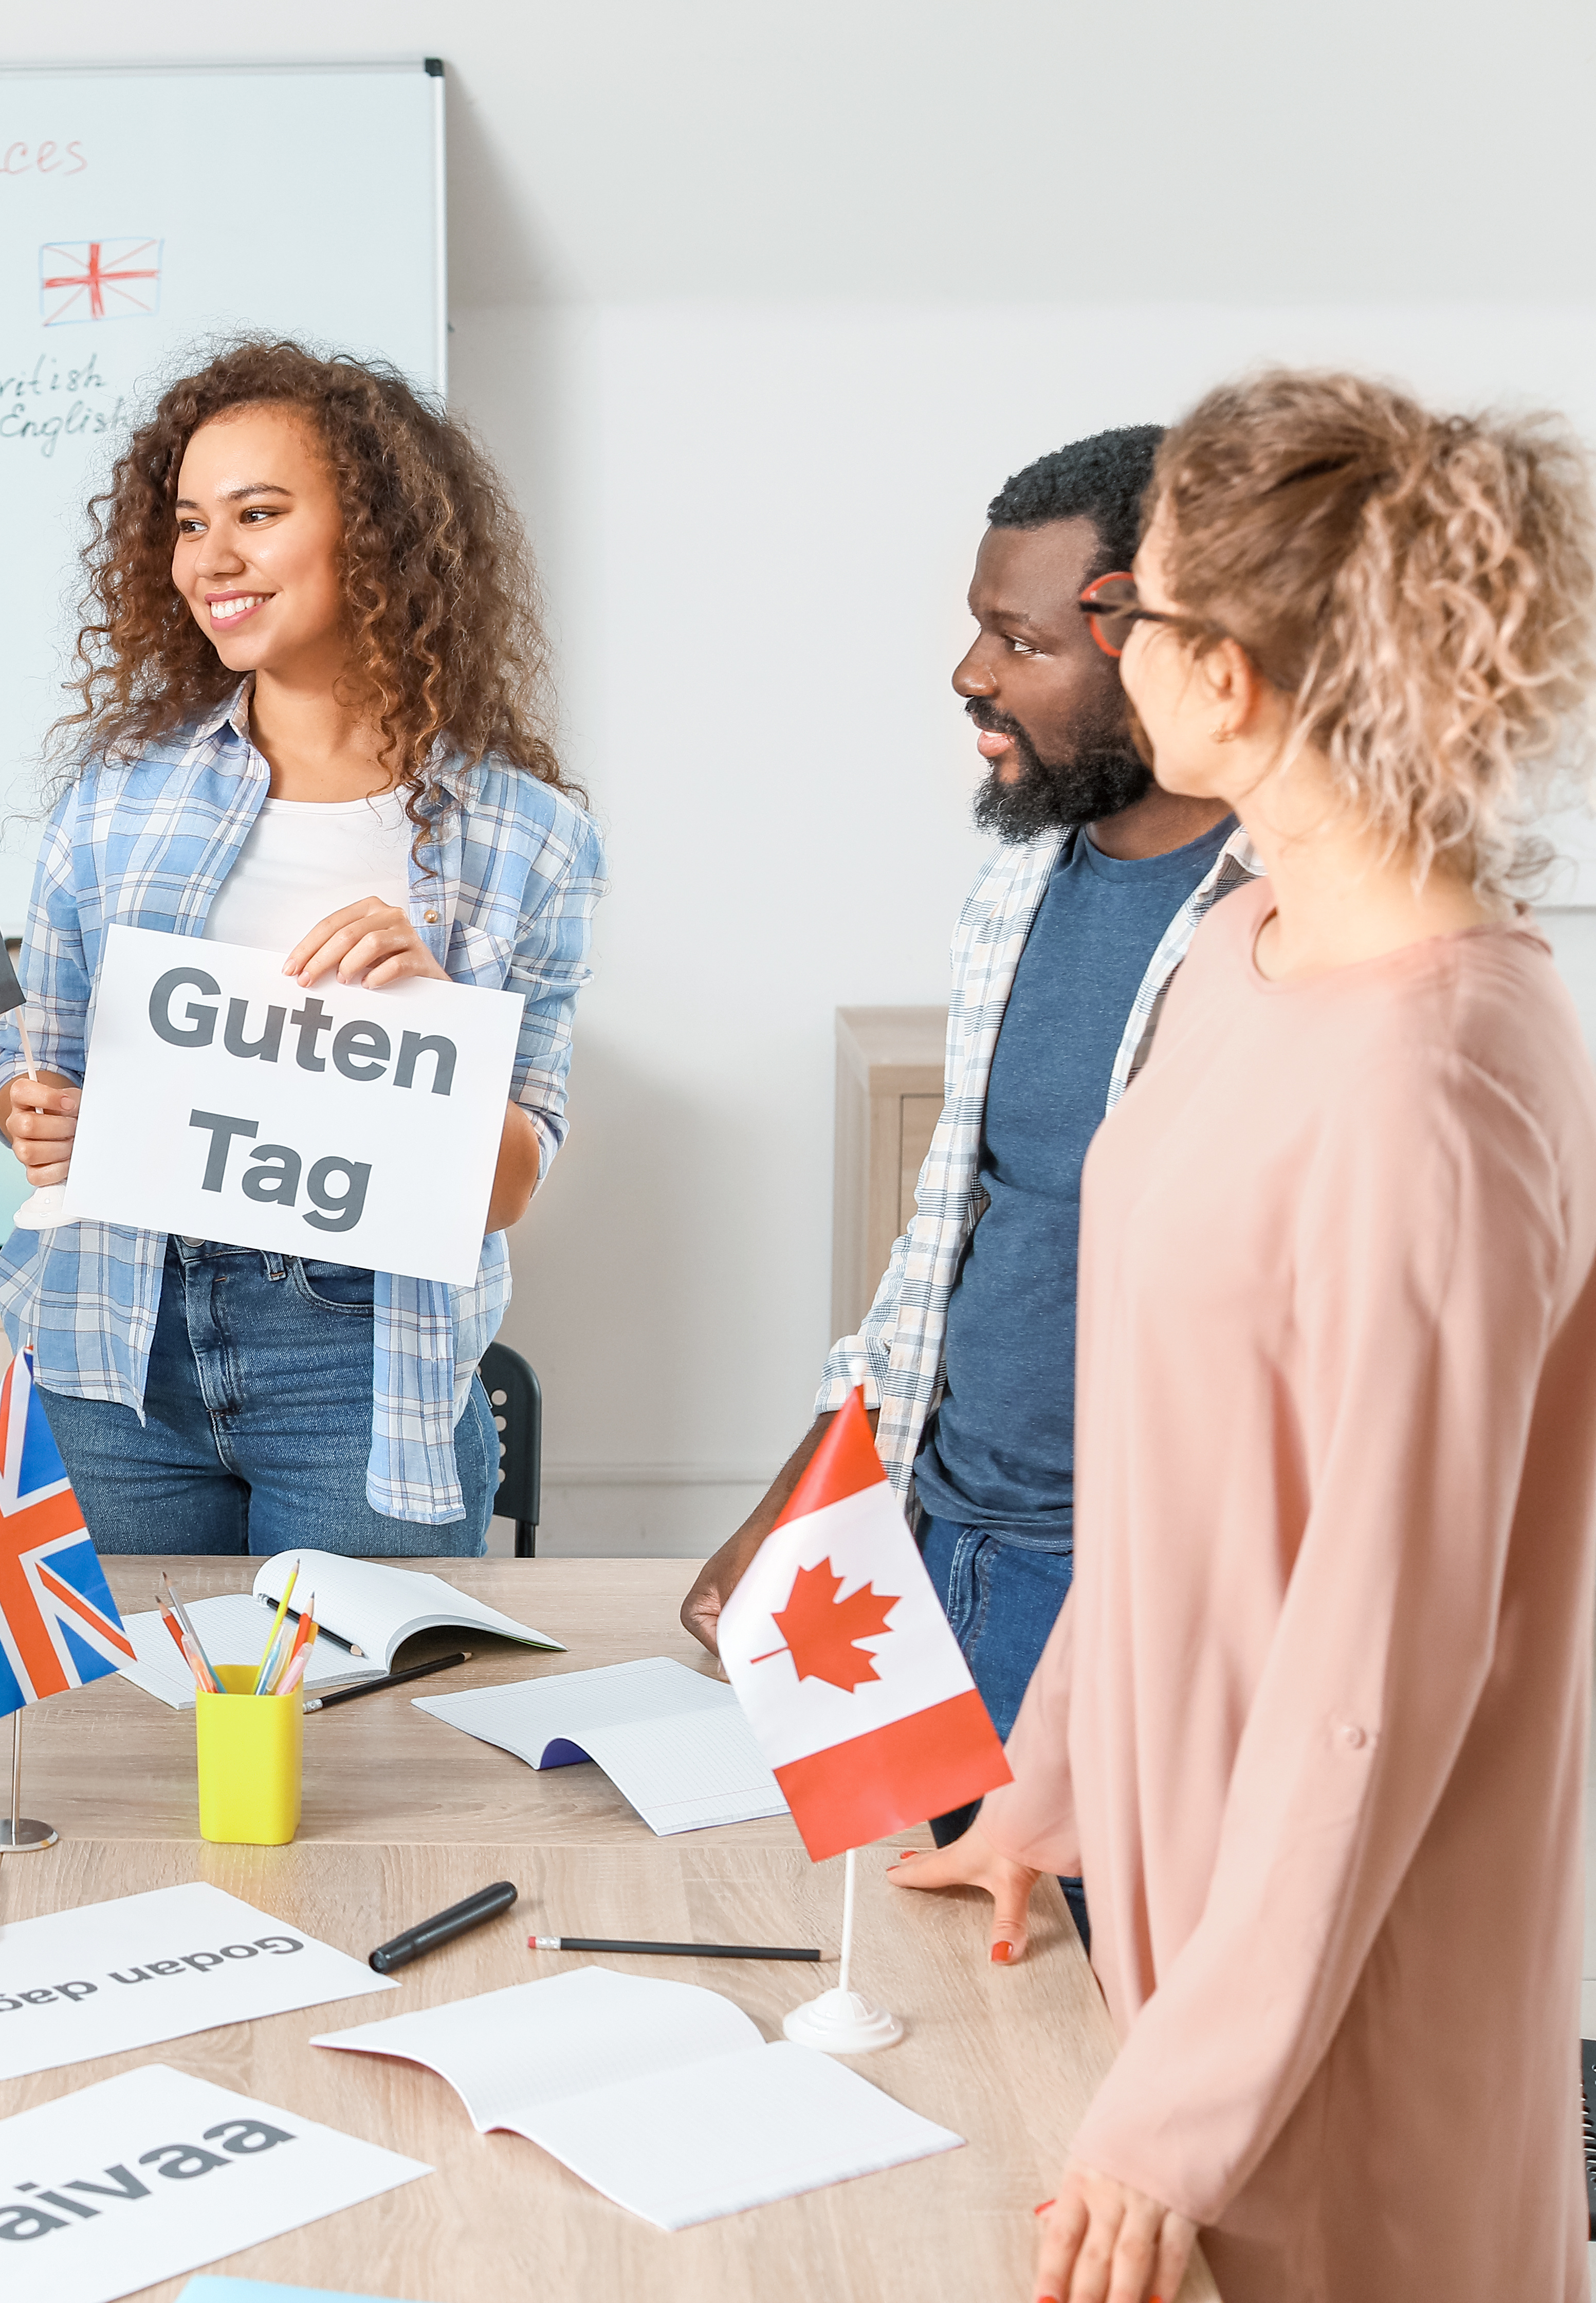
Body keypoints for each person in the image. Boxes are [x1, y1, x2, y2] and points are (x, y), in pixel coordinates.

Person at [896, 370, 1596, 2303]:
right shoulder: (1242, 944)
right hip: (1175, 1904)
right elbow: (1172, 1474)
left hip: (1329, 1981)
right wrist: (1047, 1783)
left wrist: (1180, 2106)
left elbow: (1383, 1656)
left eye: (1149, 612)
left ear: (1246, 675)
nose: (1118, 651)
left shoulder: (1434, 1080)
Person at [681, 429, 1244, 1852]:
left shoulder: (1281, 925)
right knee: (924, 1997)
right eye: (978, 631)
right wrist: (798, 1498)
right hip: (940, 1551)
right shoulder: (1020, 882)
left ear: (1156, 643)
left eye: (1019, 639)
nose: (972, 676)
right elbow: (949, 1230)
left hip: (1135, 1597)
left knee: (1091, 2014)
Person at [0, 340, 602, 1554]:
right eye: (189, 522)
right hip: (118, 1348)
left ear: (374, 533)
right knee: (121, 1735)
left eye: (258, 515)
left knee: (357, 1738)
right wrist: (34, 1111)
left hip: (363, 1365)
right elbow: (34, 1074)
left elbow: (507, 1187)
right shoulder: (116, 804)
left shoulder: (528, 840)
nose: (211, 558)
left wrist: (433, 1022)